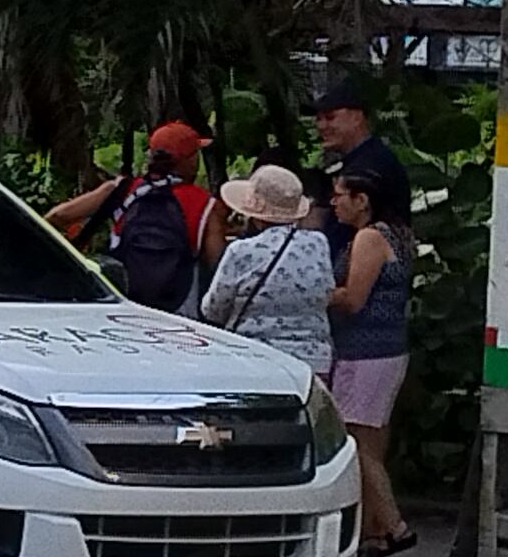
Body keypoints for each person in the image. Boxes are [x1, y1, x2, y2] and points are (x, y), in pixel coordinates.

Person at [326, 167, 415, 557]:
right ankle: (372, 532)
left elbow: (353, 298)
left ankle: (394, 525)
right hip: (386, 347)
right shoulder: (395, 234)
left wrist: (315, 292)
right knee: (371, 440)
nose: (334, 203)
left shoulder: (369, 238)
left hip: (365, 350)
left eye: (341, 195)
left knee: (356, 441)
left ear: (362, 200)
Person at [50, 121, 214, 312]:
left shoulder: (122, 189)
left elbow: (57, 216)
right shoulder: (205, 204)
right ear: (190, 160)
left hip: (122, 307)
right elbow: (219, 266)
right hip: (178, 316)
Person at [196, 161, 335, 384]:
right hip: (313, 363)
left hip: (256, 360)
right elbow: (327, 292)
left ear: (255, 214)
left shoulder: (241, 251)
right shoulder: (318, 244)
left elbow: (212, 309)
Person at [311, 80, 414, 260]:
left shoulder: (370, 165)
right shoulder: (364, 159)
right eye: (318, 119)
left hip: (367, 275)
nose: (321, 126)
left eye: (330, 117)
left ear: (357, 118)